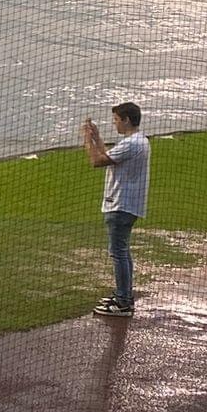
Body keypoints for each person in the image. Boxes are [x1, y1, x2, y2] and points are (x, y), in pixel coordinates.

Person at [81, 103, 150, 318]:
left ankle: (123, 302)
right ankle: (124, 296)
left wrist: (87, 140)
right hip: (129, 205)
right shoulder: (140, 141)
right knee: (123, 251)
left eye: (116, 120)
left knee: (118, 253)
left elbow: (97, 161)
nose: (115, 124)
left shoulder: (130, 144)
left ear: (126, 120)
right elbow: (108, 156)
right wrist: (97, 137)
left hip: (120, 205)